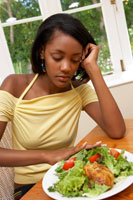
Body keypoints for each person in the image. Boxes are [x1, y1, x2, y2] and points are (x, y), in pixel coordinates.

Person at [0, 13, 125, 199]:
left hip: (69, 181)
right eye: (57, 57)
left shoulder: (78, 91)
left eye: (75, 60)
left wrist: (93, 69)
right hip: (28, 188)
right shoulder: (15, 86)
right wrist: (47, 156)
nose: (66, 67)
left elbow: (116, 130)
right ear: (42, 52)